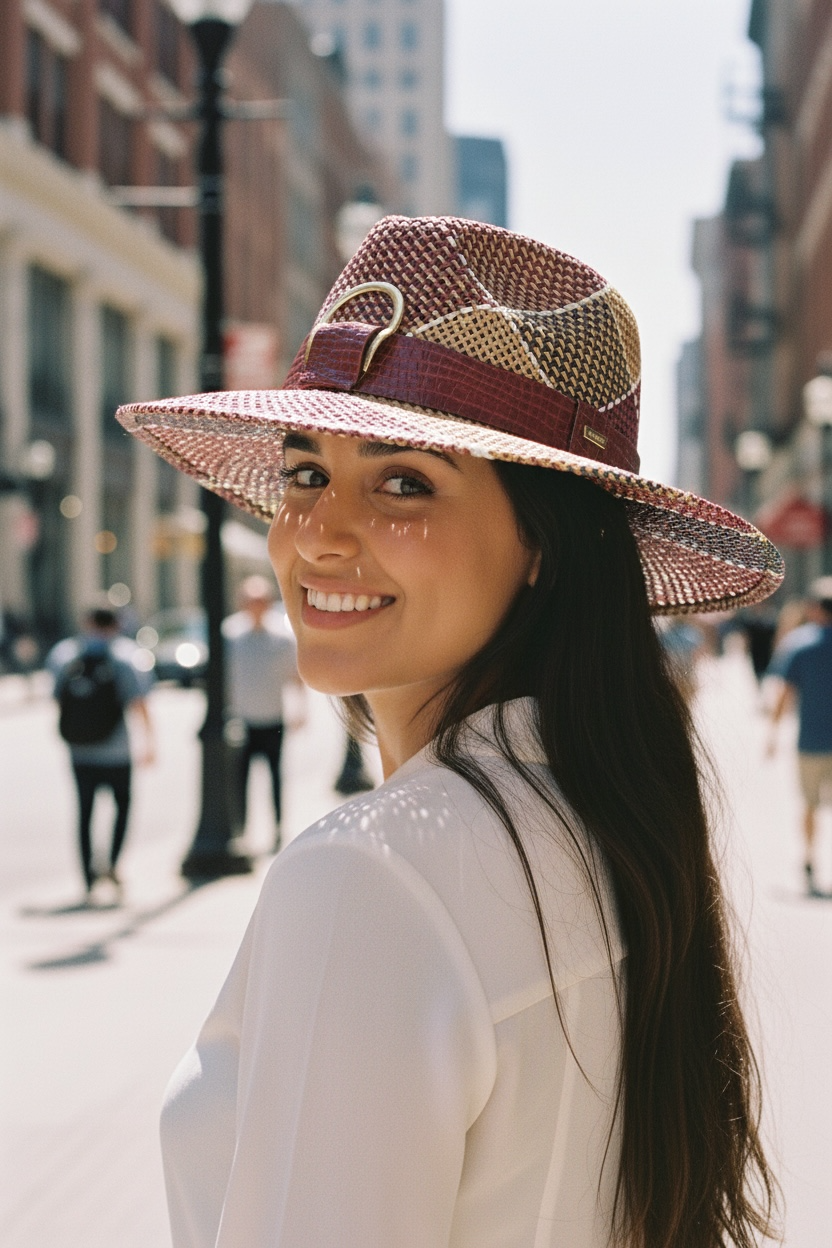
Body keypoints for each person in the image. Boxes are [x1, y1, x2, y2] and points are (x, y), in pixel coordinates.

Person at [117, 216, 782, 1248]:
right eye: (303, 471)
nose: (319, 534)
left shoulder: (369, 877)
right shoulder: (606, 818)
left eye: (402, 482)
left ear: (542, 548)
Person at [47, 606, 154, 897]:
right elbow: (139, 702)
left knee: (84, 813)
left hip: (79, 751)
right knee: (122, 808)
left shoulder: (65, 654)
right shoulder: (127, 656)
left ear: (87, 622)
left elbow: (57, 698)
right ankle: (113, 864)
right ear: (116, 625)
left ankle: (87, 878)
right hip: (117, 751)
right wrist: (150, 742)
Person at [223, 574, 305, 849]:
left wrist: (300, 710)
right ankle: (242, 830)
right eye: (249, 601)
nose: (255, 606)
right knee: (239, 780)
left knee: (275, 777)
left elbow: (296, 678)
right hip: (242, 721)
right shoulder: (230, 635)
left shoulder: (282, 637)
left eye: (260, 601)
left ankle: (278, 827)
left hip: (272, 719)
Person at [767, 576, 832, 896]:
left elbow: (785, 693)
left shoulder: (800, 643)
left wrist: (772, 734)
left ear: (816, 609)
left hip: (812, 741)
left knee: (809, 805)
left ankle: (809, 860)